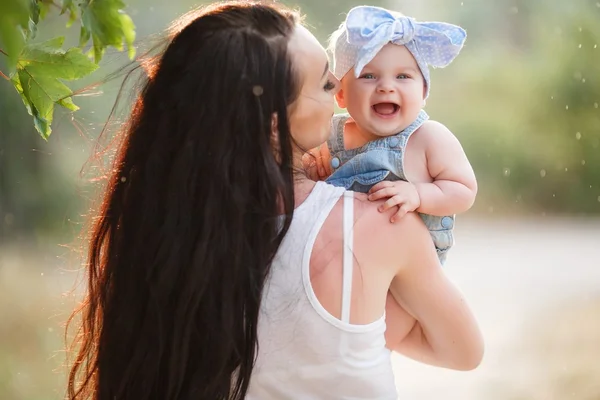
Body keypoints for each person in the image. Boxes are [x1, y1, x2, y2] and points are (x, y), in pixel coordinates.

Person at [66, 2, 483, 399]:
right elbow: (463, 351)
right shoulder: (381, 223)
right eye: (325, 83)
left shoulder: (165, 231)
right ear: (272, 120)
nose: (342, 86)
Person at [309, 6, 478, 264]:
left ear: (423, 91)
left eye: (402, 76)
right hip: (340, 263)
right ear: (340, 94)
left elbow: (463, 190)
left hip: (408, 270)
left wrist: (419, 195)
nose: (386, 86)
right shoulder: (328, 134)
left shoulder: (428, 138)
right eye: (368, 75)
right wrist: (311, 165)